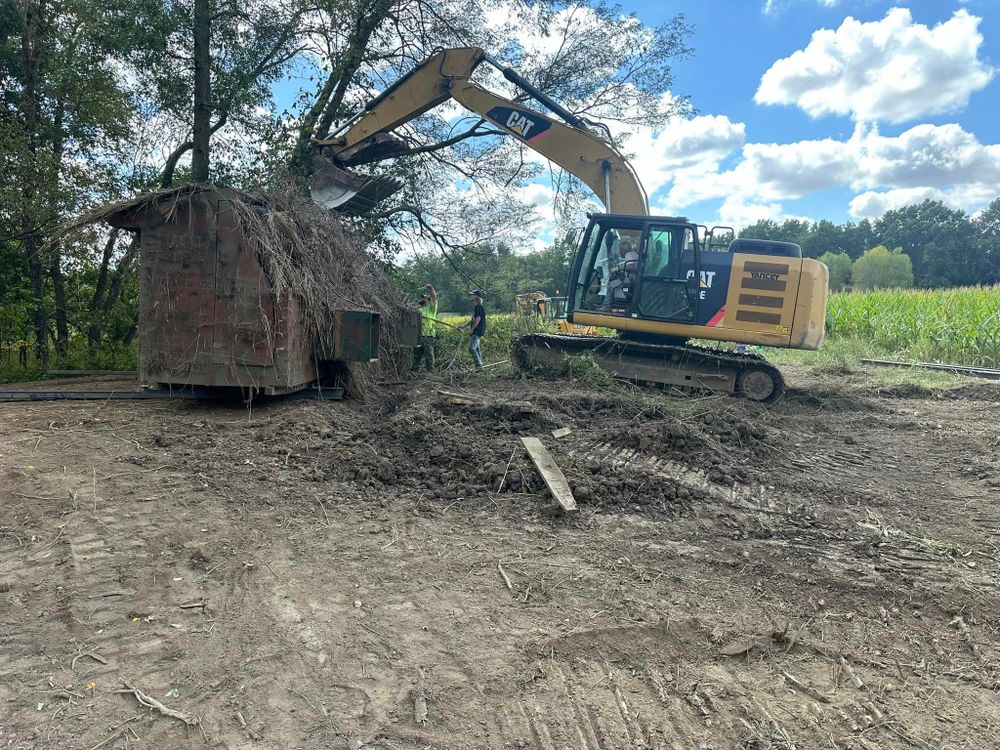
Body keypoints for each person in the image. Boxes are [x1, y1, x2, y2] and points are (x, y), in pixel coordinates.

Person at [412, 284, 438, 372]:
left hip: (428, 334)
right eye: (422, 298)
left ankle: (430, 370)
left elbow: (434, 297)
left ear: (428, 300)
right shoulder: (419, 309)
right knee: (417, 353)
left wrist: (431, 288)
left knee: (429, 353)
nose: (422, 299)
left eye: (424, 298)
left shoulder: (431, 308)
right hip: (418, 334)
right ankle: (416, 369)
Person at [463, 289, 486, 372]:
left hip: (477, 331)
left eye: (472, 295)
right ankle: (480, 365)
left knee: (471, 348)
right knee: (477, 349)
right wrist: (463, 326)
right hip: (478, 331)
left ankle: (479, 366)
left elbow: (478, 319)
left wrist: (472, 329)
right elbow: (472, 320)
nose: (470, 296)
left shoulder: (478, 307)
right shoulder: (477, 307)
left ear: (476, 296)